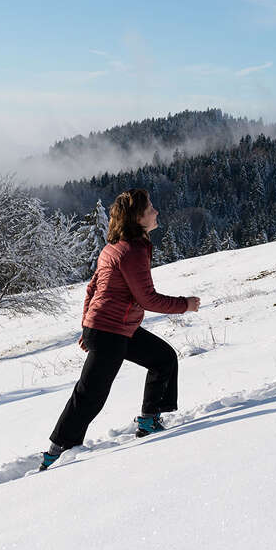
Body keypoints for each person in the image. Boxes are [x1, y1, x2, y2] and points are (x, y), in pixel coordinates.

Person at [40, 189, 200, 469]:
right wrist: (184, 304)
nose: (156, 211)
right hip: (110, 331)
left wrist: (87, 326)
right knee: (90, 394)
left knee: (163, 358)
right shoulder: (131, 251)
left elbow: (92, 289)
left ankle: (149, 420)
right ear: (138, 218)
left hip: (113, 328)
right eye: (150, 208)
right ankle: (57, 451)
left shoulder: (116, 247)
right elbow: (146, 298)